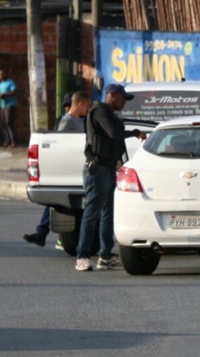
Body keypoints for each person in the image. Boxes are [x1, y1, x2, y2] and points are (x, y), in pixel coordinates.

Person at [75, 84, 146, 272]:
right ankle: (82, 256)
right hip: (97, 170)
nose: (124, 103)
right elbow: (114, 134)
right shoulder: (100, 112)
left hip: (107, 168)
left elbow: (115, 140)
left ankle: (105, 256)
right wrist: (136, 133)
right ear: (112, 95)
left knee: (107, 214)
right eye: (123, 99)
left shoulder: (110, 115)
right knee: (92, 214)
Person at [24, 92, 91, 248]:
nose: (87, 109)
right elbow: (60, 145)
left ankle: (42, 232)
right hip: (68, 168)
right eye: (86, 105)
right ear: (80, 104)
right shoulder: (67, 122)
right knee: (57, 202)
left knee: (57, 203)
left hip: (74, 169)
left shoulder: (79, 121)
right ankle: (45, 233)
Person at [0, 68, 17, 148]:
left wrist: (5, 94)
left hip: (9, 106)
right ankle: (7, 141)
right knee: (3, 124)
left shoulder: (10, 82)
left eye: (2, 74)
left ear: (5, 74)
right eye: (0, 74)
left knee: (9, 123)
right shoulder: (0, 84)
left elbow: (13, 92)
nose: (1, 76)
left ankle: (13, 141)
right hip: (2, 106)